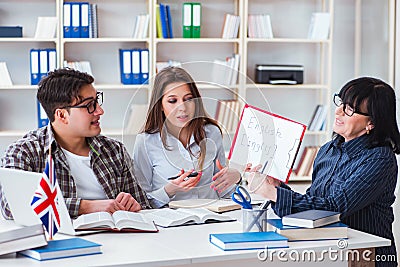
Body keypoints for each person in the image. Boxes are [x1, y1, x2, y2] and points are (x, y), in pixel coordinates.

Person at [248, 77, 399, 266]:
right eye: (341, 103)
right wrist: (277, 187)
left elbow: (335, 207)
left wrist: (275, 194)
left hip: (365, 256)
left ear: (372, 123)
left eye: (350, 109)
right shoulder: (328, 150)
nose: (338, 112)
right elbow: (315, 202)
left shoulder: (380, 159)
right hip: (327, 251)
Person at [0, 68, 151, 219]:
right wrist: (86, 206)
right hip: (58, 239)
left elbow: (142, 205)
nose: (99, 111)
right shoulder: (24, 152)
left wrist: (135, 205)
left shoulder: (114, 150)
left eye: (97, 101)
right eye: (89, 105)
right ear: (62, 115)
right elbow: (12, 206)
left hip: (118, 238)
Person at [133, 66, 241, 208]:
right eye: (172, 101)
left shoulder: (211, 133)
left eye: (188, 99)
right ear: (160, 105)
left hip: (211, 218)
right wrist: (169, 190)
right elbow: (140, 200)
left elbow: (223, 190)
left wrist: (237, 178)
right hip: (169, 223)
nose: (182, 108)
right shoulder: (146, 141)